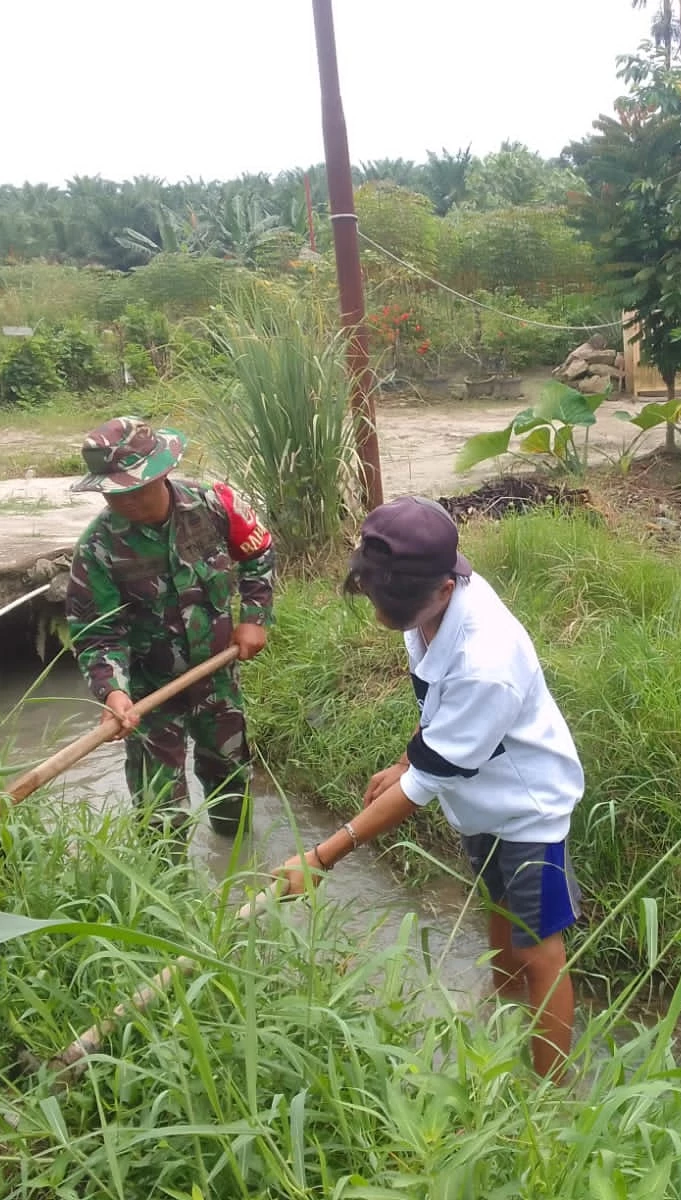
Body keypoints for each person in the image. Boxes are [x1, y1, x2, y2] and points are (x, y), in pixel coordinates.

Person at [275, 496, 584, 1078]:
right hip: (477, 798)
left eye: (389, 606)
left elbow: (421, 788)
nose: (378, 615)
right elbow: (434, 705)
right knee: (496, 907)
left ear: (445, 587)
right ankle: (503, 1018)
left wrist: (321, 858)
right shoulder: (427, 603)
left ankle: (552, 1100)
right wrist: (403, 759)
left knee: (539, 951)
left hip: (526, 809)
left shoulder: (485, 659)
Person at [64, 416, 274, 837]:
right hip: (149, 695)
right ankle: (167, 893)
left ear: (163, 472)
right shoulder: (97, 549)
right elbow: (97, 633)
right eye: (114, 493)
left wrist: (254, 618)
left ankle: (235, 870)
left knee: (232, 784)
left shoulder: (214, 506)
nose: (125, 502)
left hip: (217, 679)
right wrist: (114, 691)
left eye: (135, 489)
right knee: (160, 812)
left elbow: (259, 553)